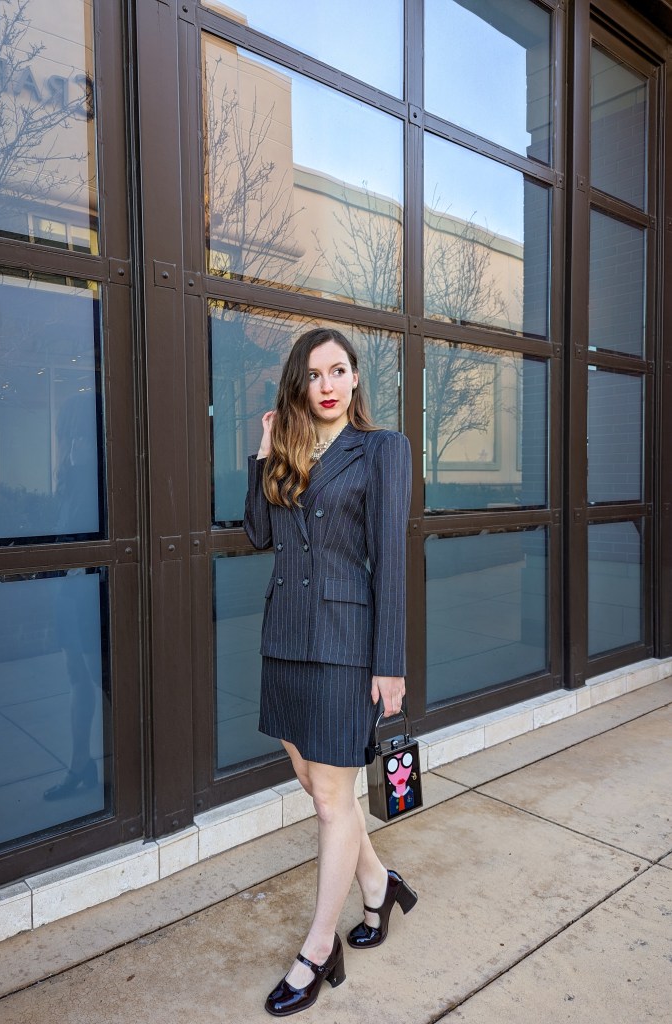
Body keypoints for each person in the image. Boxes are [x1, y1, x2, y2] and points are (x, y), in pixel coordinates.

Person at [244, 327, 417, 1017]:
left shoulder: (381, 449)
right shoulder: (285, 453)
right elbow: (258, 533)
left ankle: (318, 948)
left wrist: (391, 665)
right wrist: (262, 450)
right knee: (320, 790)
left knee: (327, 804)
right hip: (284, 641)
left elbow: (392, 558)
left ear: (353, 381)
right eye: (313, 374)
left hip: (347, 644)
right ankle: (379, 887)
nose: (326, 384)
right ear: (298, 384)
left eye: (338, 370)